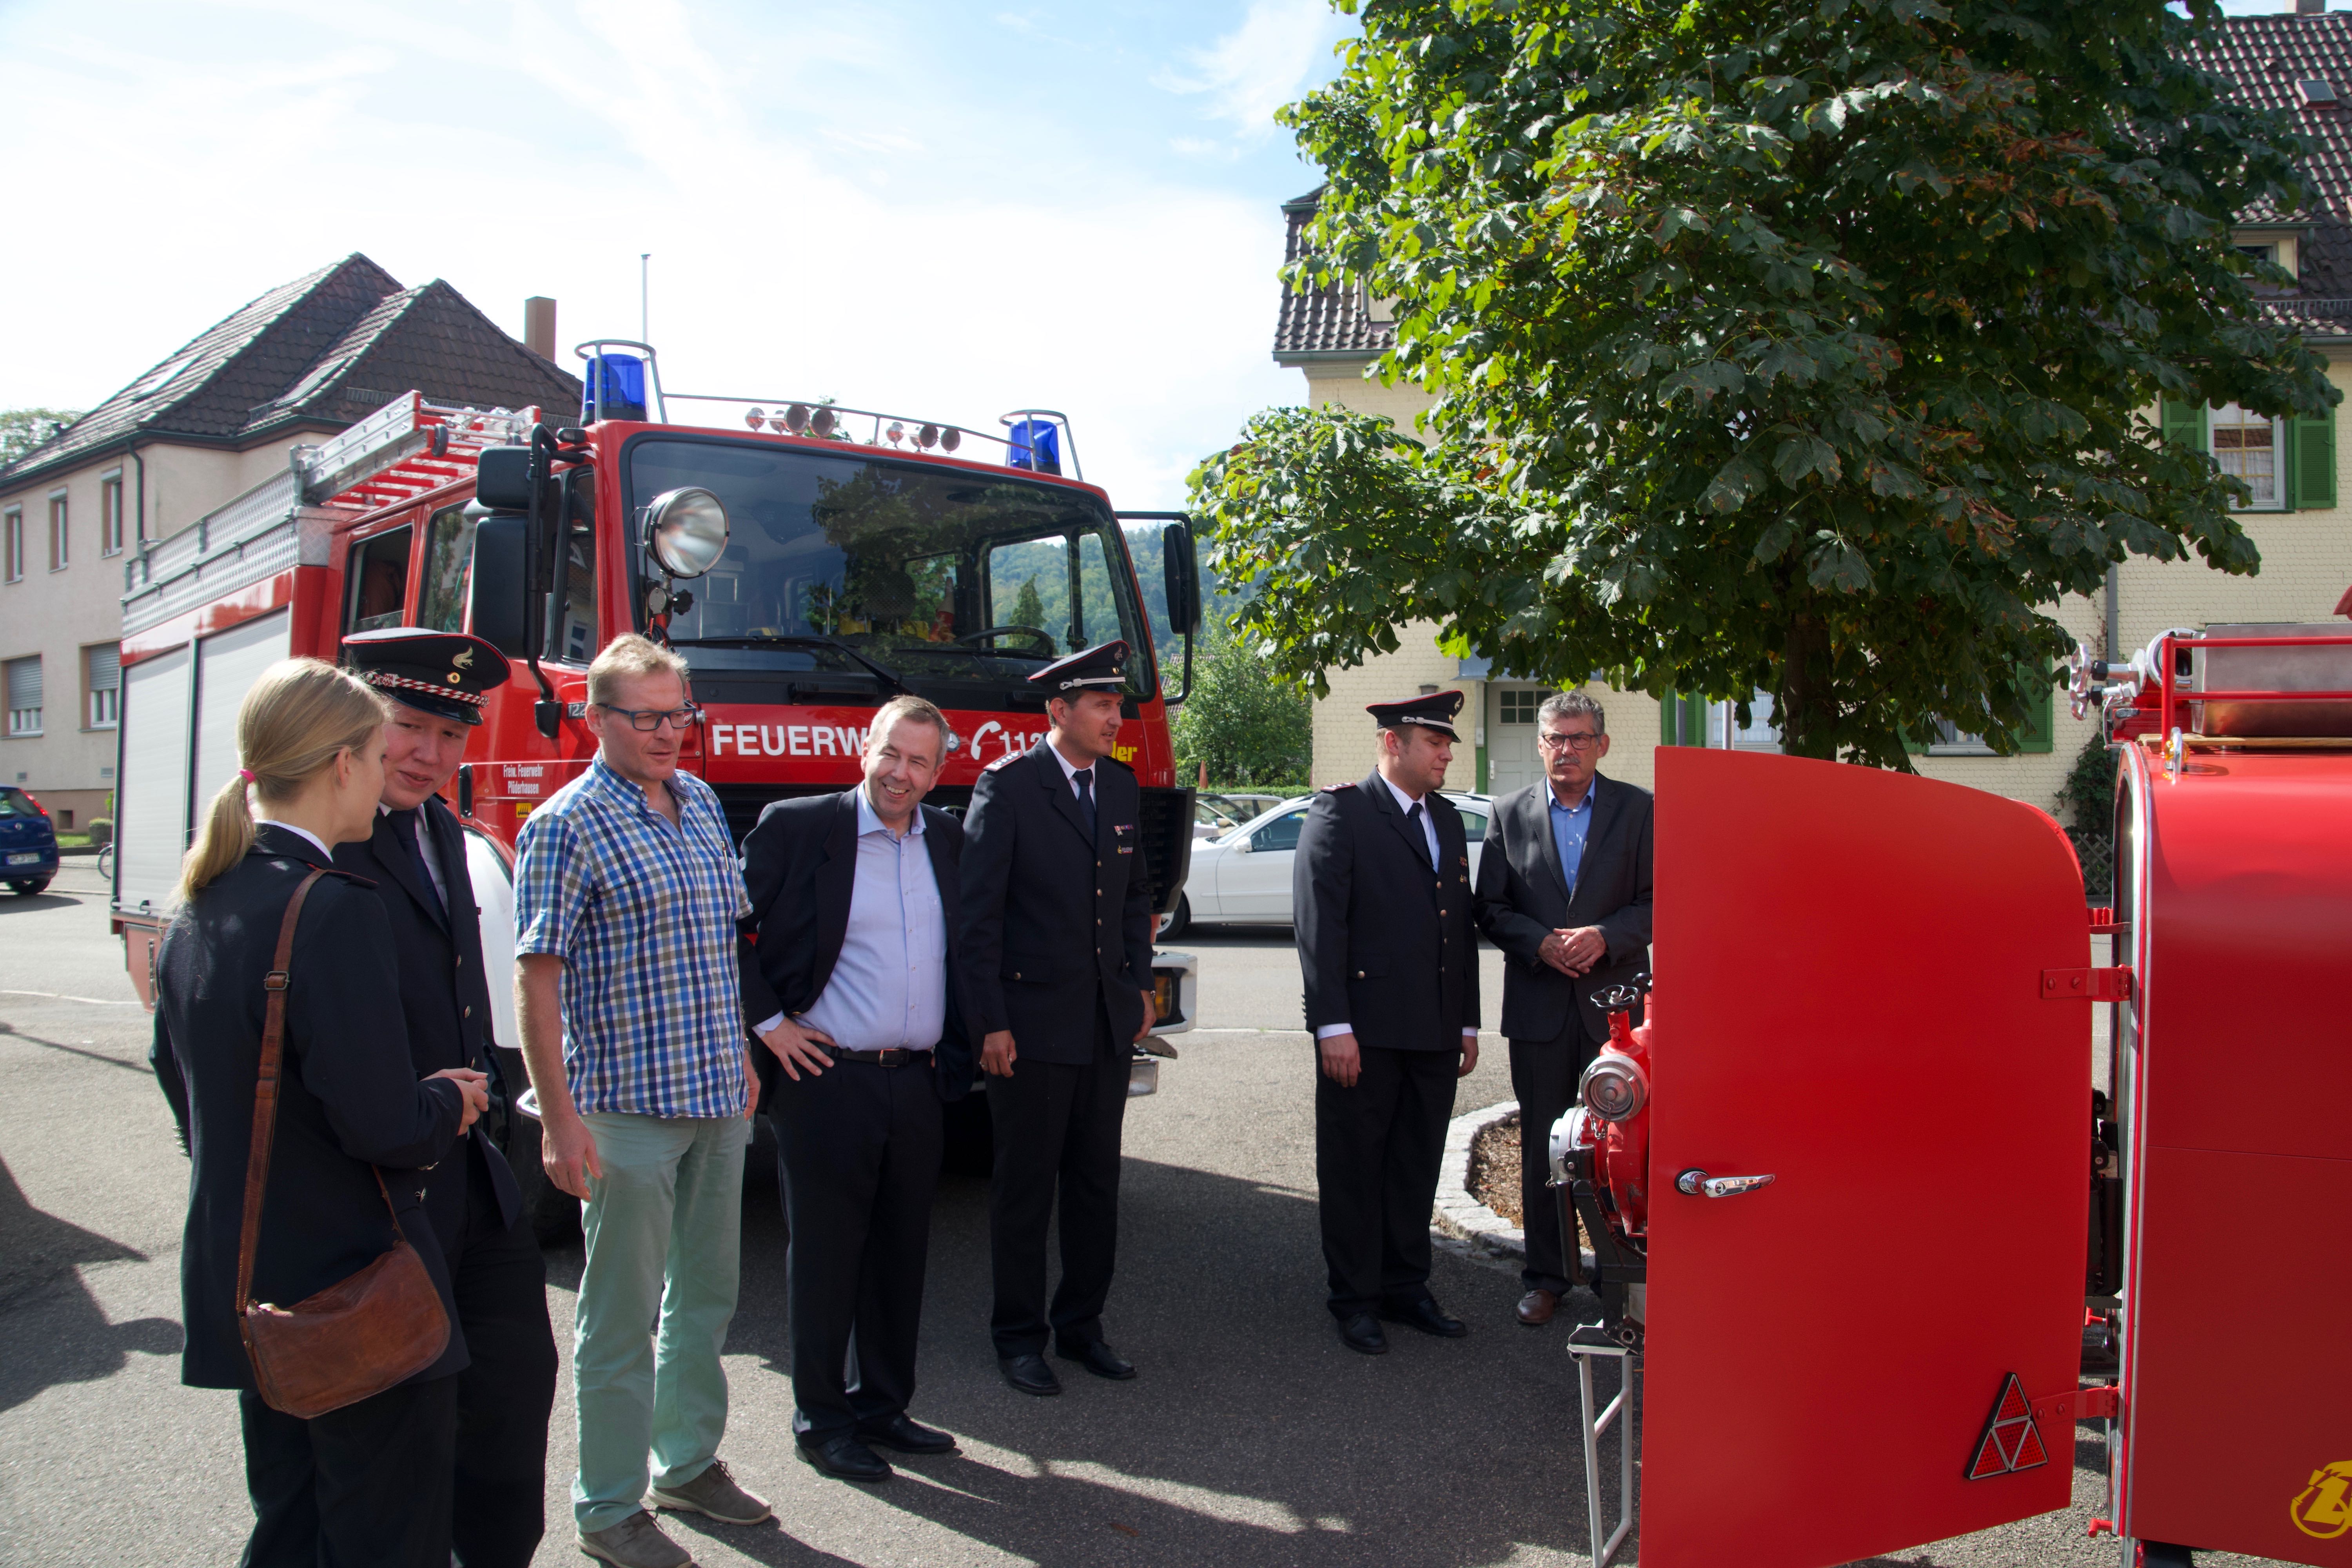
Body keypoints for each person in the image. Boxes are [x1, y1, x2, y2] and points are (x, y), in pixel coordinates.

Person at [151, 657, 490, 1568]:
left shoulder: (203, 892)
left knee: (292, 1519)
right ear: (344, 764)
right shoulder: (332, 905)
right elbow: (384, 1122)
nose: (393, 775)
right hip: (353, 1286)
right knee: (386, 1532)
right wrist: (449, 1100)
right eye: (383, 754)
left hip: (252, 1273)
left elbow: (178, 1080)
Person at [511, 635, 768, 1568]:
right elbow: (536, 984)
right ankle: (609, 1508)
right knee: (619, 1319)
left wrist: (740, 1047)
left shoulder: (698, 800)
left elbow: (718, 944)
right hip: (623, 1110)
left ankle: (687, 1463)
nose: (668, 732)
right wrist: (559, 1116)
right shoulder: (564, 823)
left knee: (706, 1297)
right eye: (645, 715)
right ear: (596, 717)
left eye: (679, 713)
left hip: (715, 1097)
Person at [334, 626, 557, 1564]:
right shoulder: (323, 845)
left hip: (475, 1180)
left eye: (451, 734)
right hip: (377, 1189)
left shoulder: (448, 835)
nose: (430, 753)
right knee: (401, 1434)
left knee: (515, 1393)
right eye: (410, 725)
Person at [738, 695, 974, 1482]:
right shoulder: (800, 827)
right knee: (828, 1256)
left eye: (919, 762)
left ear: (940, 774)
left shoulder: (948, 838)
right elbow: (728, 928)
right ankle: (822, 1417)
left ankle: (884, 1405)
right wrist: (769, 1023)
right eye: (891, 754)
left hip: (917, 1081)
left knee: (901, 1254)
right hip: (826, 1081)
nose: (901, 773)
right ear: (863, 750)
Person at [958, 640, 1158, 1397]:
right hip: (1030, 1028)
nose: (1116, 719)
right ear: (1058, 711)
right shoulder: (1008, 788)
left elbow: (1134, 895)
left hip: (1104, 1023)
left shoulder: (1120, 786)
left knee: (1094, 1186)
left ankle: (1083, 1328)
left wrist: (1140, 983)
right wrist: (990, 1024)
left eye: (1118, 707)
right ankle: (1019, 1338)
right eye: (1104, 706)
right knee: (1024, 1188)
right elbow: (977, 919)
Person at [1293, 690, 1481, 1356]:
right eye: (1435, 742)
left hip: (1432, 1029)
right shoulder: (1342, 812)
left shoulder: (1448, 821)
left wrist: (1466, 1021)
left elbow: (1456, 929)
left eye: (1448, 743)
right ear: (1393, 744)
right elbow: (1321, 930)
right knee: (1354, 1166)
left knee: (1413, 1164)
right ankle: (1354, 1298)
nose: (1447, 753)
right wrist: (1331, 1026)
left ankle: (1407, 1286)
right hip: (1366, 1031)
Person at [1472, 690, 1653, 1327]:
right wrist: (1541, 943)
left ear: (1601, 744)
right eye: (1554, 738)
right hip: (1540, 1006)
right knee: (1544, 1147)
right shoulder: (1509, 813)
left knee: (1620, 1148)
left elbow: (1660, 900)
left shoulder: (1639, 811)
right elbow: (1490, 907)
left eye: (1579, 738)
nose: (1566, 749)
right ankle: (1547, 1276)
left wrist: (1606, 936)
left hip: (1617, 1015)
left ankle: (1619, 1280)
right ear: (1540, 744)